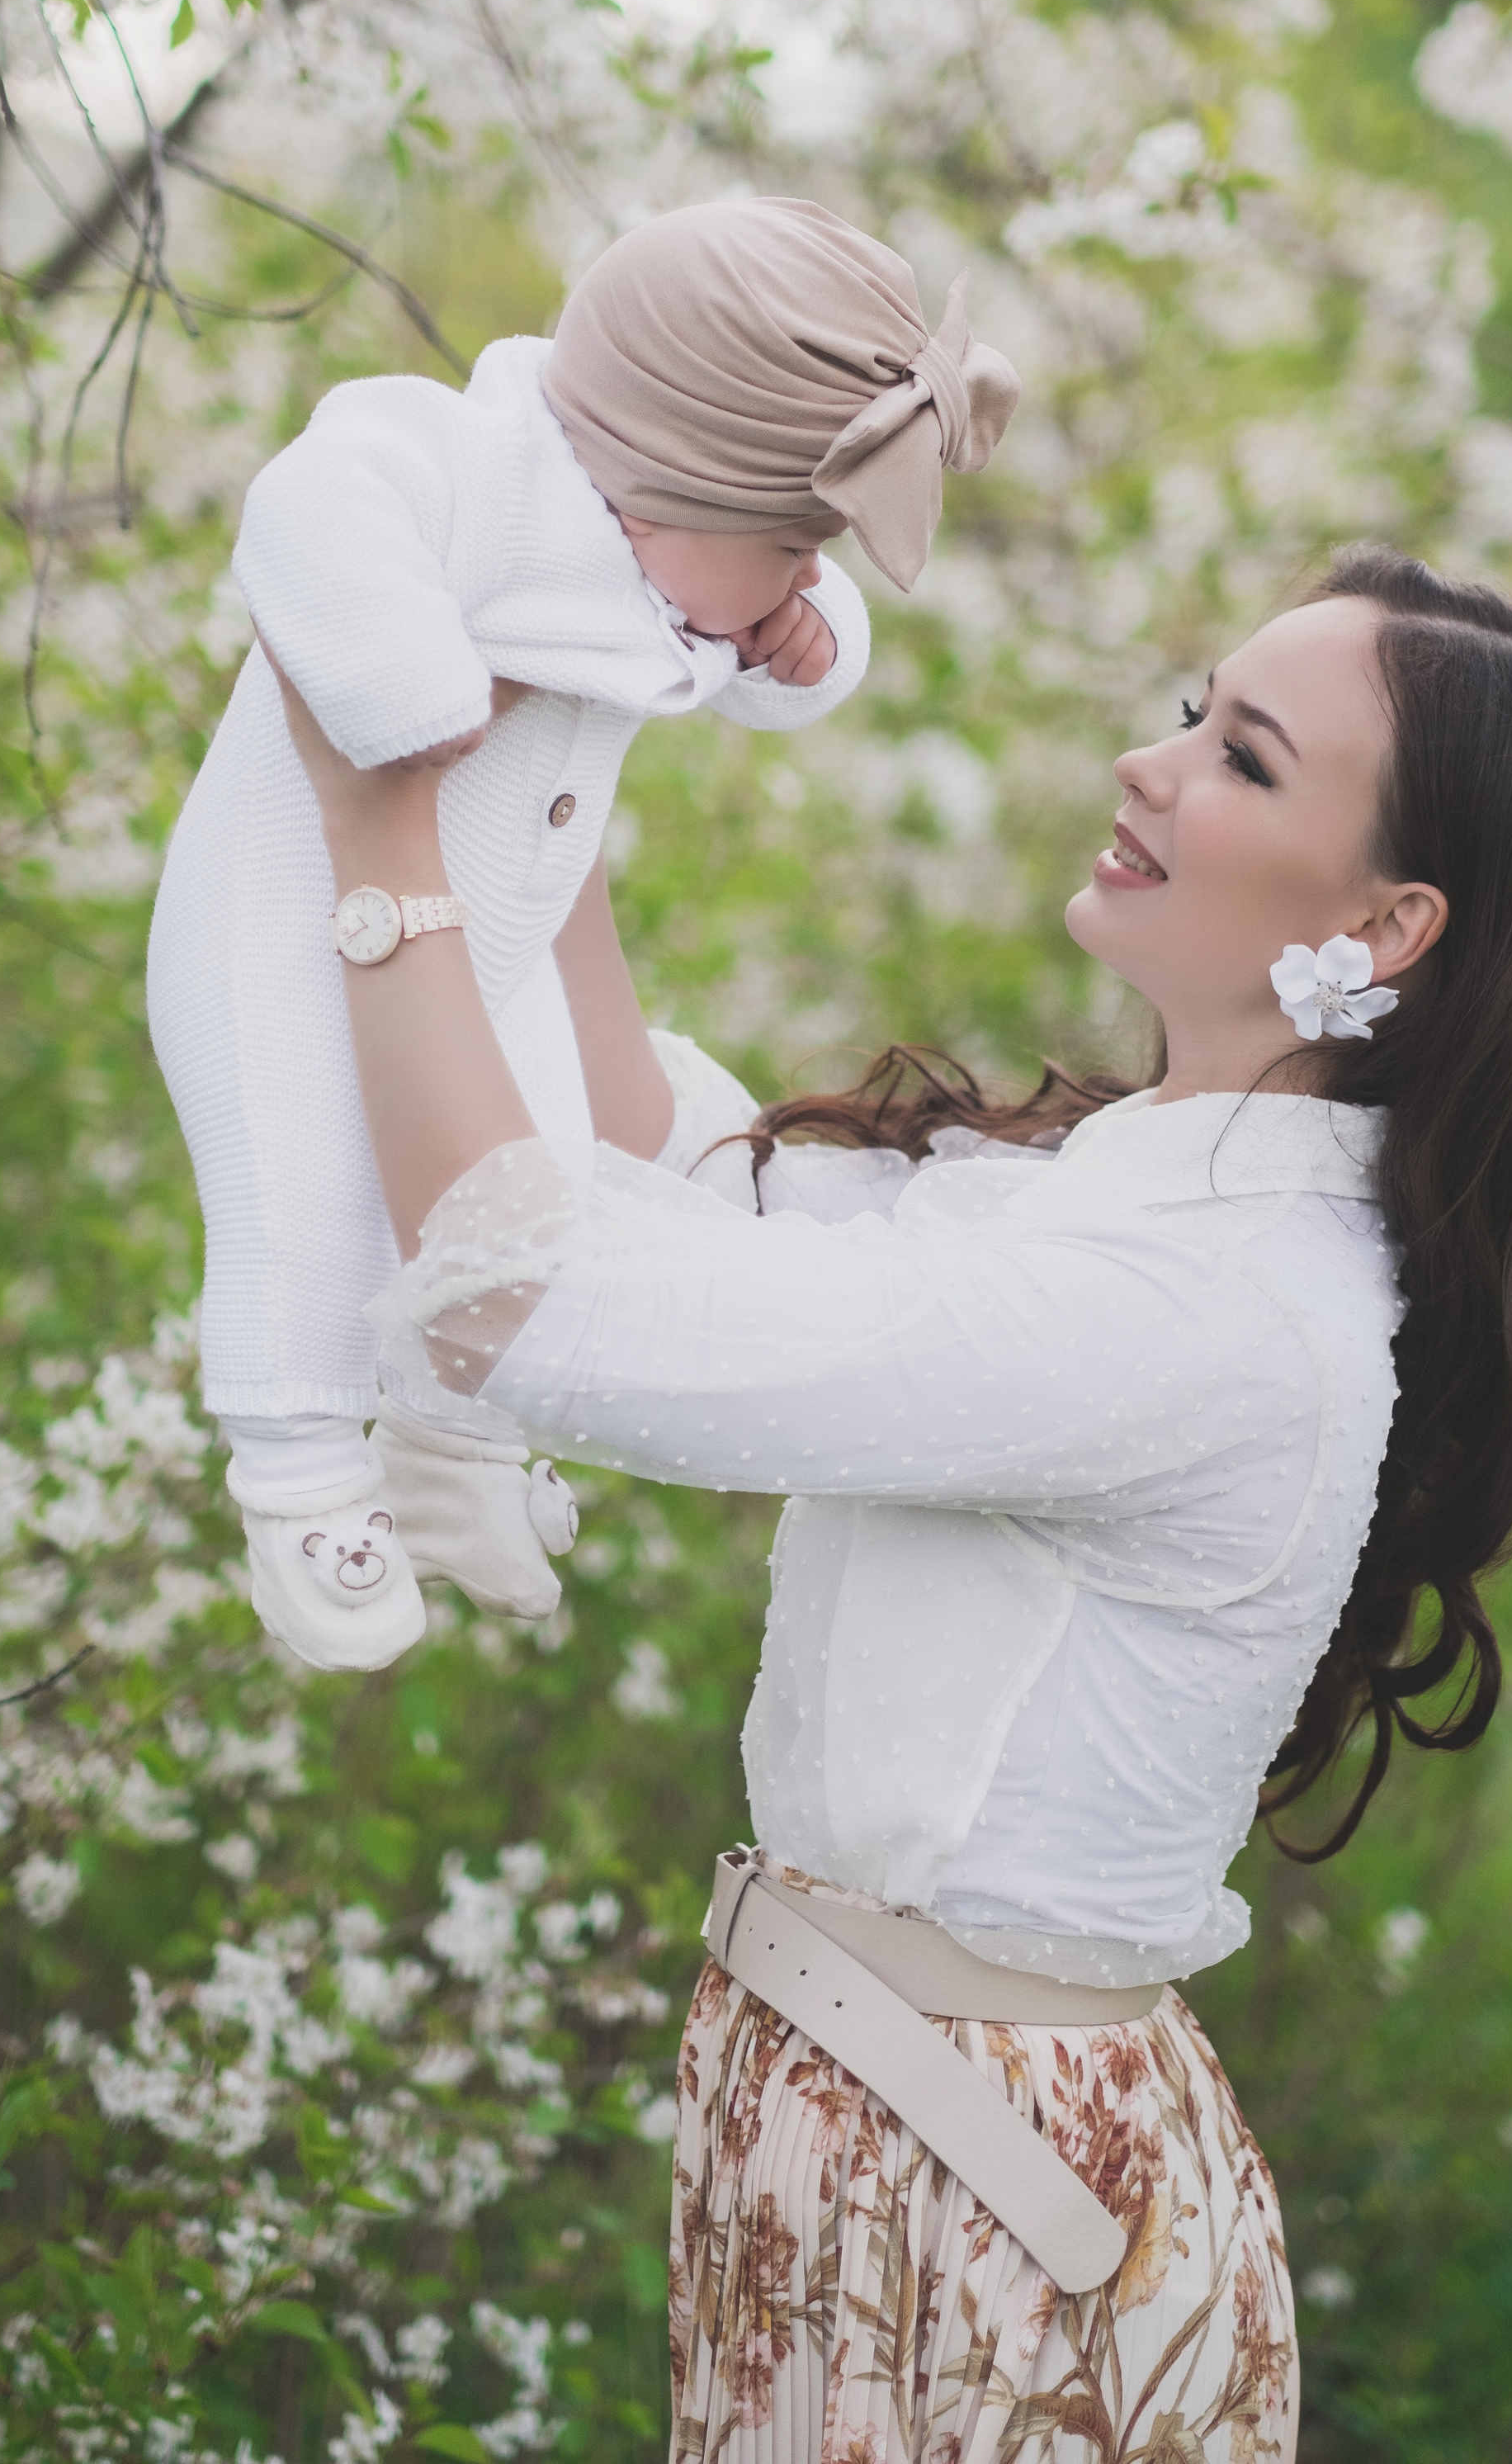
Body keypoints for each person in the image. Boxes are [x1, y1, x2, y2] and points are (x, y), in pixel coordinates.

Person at [267, 543, 1512, 2462]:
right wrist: (584, 693)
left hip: (980, 2201)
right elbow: (639, 1164)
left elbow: (533, 1302)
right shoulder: (1121, 1182)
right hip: (875, 2127)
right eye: (1191, 715)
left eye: (1242, 760)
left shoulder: (1206, 1305)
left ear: (1388, 923)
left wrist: (378, 827)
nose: (1151, 768)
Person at [147, 196, 1019, 1672]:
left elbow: (746, 650)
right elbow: (308, 508)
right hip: (284, 933)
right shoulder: (455, 462)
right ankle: (297, 1468)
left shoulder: (649, 554)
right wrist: (402, 691)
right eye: (800, 548)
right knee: (296, 1188)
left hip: (487, 945)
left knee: (522, 1188)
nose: (816, 580)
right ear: (669, 490)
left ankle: (448, 1448)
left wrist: (795, 645)